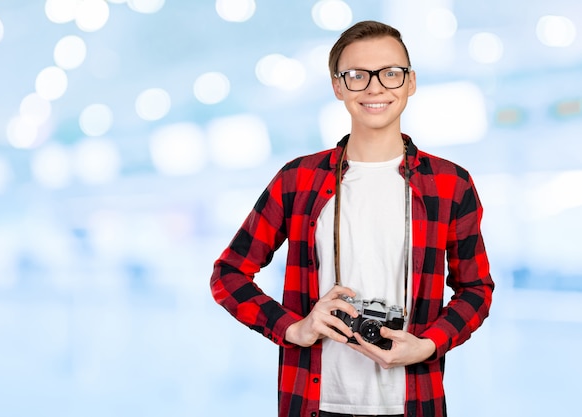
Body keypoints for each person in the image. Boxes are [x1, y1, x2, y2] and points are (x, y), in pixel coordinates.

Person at [210, 20, 494, 417]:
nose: (375, 87)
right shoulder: (299, 179)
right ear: (338, 86)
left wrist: (428, 345)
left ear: (410, 83)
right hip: (314, 401)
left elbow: (476, 289)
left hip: (413, 401)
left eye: (391, 74)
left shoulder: (450, 184)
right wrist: (294, 328)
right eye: (357, 76)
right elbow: (228, 274)